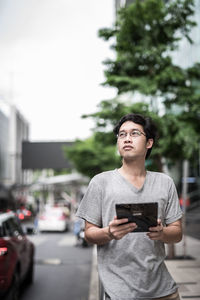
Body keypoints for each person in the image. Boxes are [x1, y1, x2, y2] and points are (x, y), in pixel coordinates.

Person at [76, 113, 183, 300]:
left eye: (134, 133)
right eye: (121, 134)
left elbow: (177, 232)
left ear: (149, 143)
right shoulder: (100, 182)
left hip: (164, 291)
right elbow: (89, 234)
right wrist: (109, 232)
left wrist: (162, 233)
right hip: (119, 293)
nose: (126, 138)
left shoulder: (164, 182)